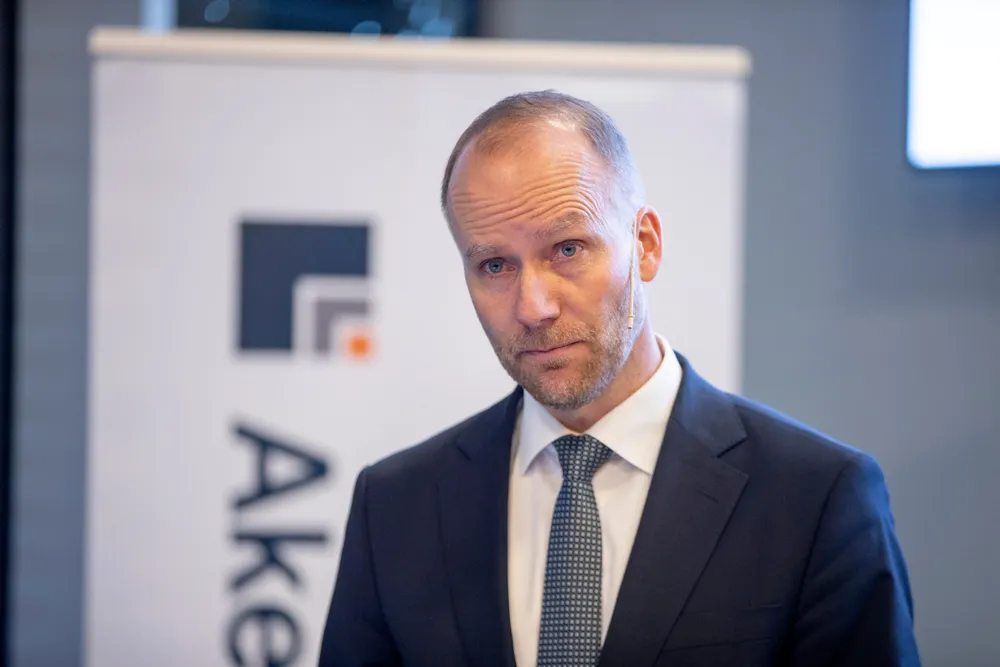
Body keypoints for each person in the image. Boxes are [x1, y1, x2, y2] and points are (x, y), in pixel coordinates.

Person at [318, 90, 921, 667]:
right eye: (495, 265)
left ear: (645, 245)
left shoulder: (816, 496)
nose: (533, 307)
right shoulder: (396, 506)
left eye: (567, 249)